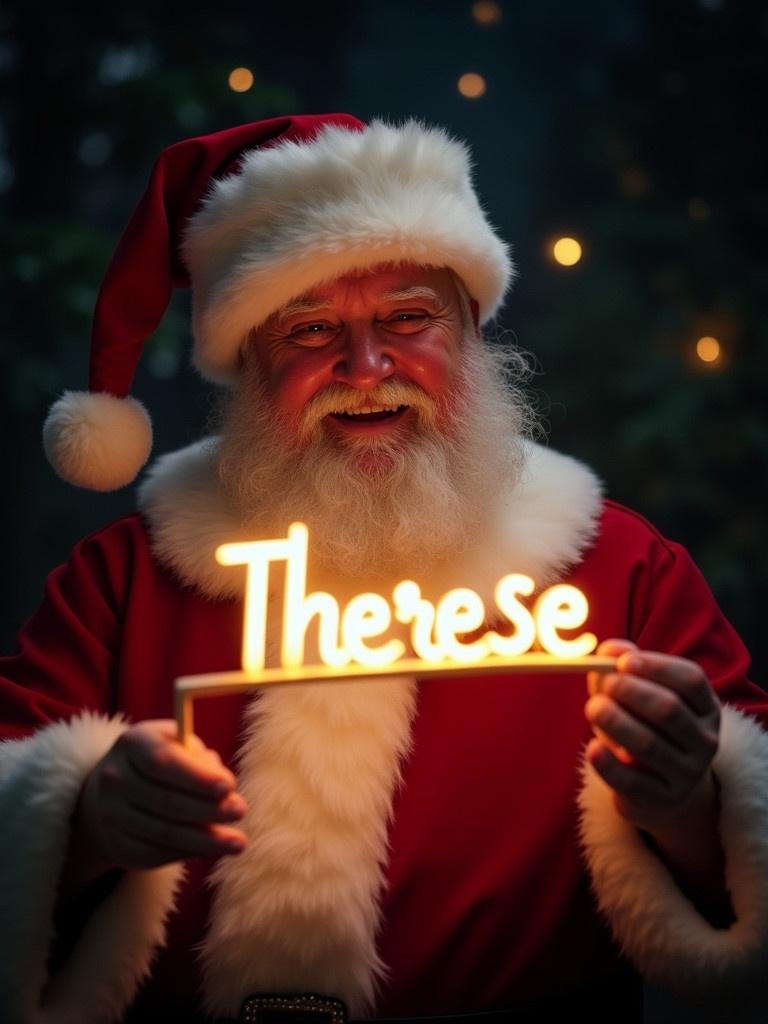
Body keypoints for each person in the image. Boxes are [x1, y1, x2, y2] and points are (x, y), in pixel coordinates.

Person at [1, 113, 766, 1024]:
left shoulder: (621, 568)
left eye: (409, 319)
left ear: (471, 336)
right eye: (308, 330)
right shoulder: (122, 582)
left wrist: (686, 800)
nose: (365, 369)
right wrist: (87, 825)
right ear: (245, 363)